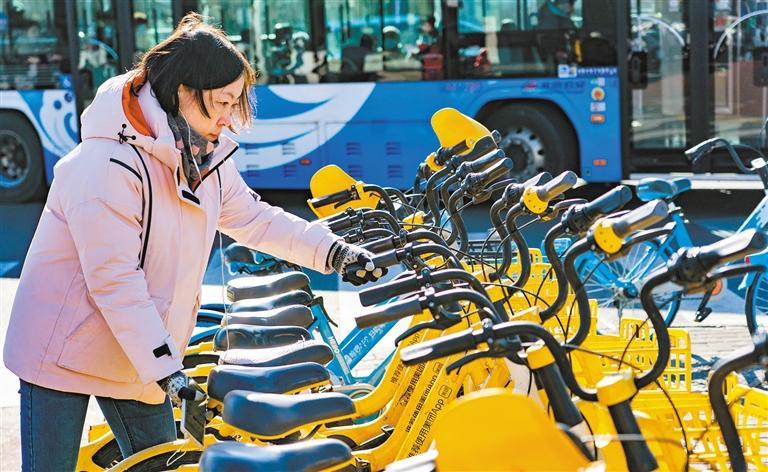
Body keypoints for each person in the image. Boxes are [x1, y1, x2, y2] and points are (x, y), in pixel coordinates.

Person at [3, 14, 383, 472]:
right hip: (61, 349)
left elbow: (256, 219)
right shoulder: (106, 164)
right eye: (221, 102)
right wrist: (166, 368)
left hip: (138, 349)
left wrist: (333, 252)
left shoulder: (203, 158)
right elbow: (114, 280)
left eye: (235, 104)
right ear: (184, 91)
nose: (228, 118)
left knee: (164, 462)